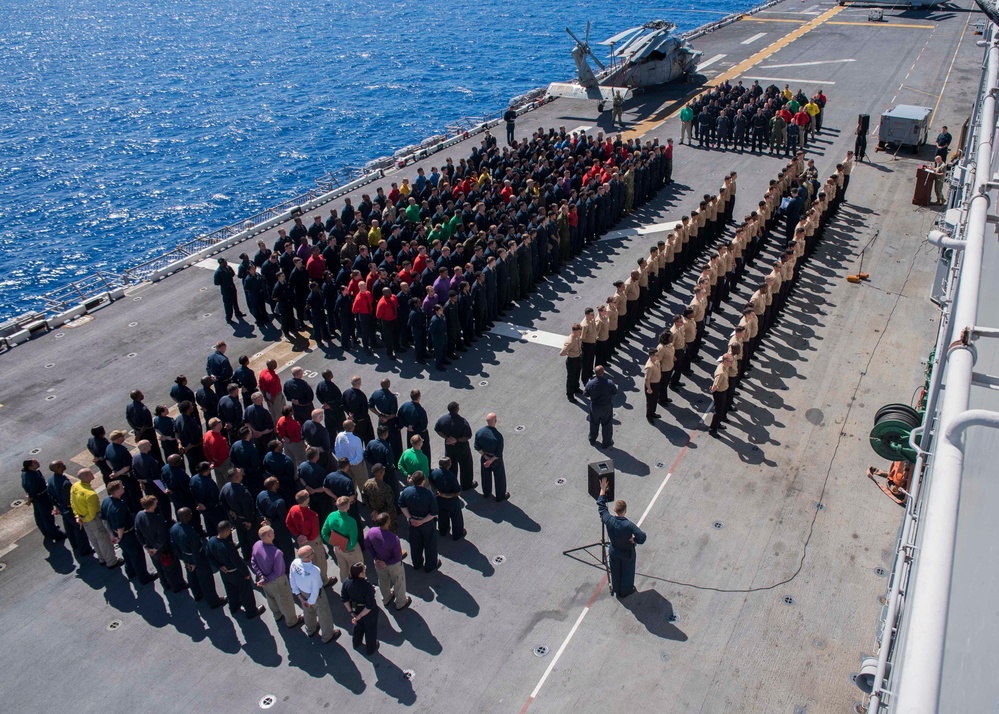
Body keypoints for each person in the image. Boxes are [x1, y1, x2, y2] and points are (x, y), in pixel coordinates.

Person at [597, 476, 646, 598]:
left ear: (614, 510)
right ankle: (626, 591)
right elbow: (642, 537)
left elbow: (601, 507)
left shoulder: (609, 520)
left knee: (615, 570)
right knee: (627, 572)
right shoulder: (628, 525)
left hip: (614, 550)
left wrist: (603, 489)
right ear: (625, 511)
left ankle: (616, 589)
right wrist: (634, 540)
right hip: (627, 551)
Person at [101, 480, 156, 585]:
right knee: (137, 555)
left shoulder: (106, 501)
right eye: (121, 487)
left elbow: (104, 519)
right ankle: (144, 577)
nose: (124, 488)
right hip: (127, 534)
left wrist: (113, 535)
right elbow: (120, 525)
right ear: (117, 492)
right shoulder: (120, 506)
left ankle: (130, 572)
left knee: (126, 553)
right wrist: (120, 537)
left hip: (117, 535)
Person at [207, 521, 266, 619]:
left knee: (230, 590)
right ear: (226, 531)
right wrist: (246, 573)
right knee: (245, 591)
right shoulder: (228, 546)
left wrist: (219, 566)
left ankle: (234, 607)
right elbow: (237, 562)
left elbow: (209, 556)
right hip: (235, 572)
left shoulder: (211, 541)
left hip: (224, 572)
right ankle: (251, 611)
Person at [170, 507, 226, 608]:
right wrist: (195, 563)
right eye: (190, 513)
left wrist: (184, 560)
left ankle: (197, 594)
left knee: (192, 576)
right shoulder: (191, 533)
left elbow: (174, 546)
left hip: (186, 557)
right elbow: (195, 550)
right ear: (187, 516)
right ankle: (214, 601)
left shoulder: (174, 528)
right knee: (206, 579)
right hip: (198, 559)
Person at [250, 525, 303, 628]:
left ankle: (277, 615)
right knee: (285, 600)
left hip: (264, 580)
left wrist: (261, 576)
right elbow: (278, 572)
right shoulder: (277, 553)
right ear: (270, 535)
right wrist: (266, 579)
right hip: (277, 581)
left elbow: (253, 562)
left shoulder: (256, 545)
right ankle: (292, 621)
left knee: (271, 598)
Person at [290, 545, 342, 643]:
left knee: (308, 612)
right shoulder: (314, 571)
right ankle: (327, 635)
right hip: (316, 596)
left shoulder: (294, 563)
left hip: (302, 592)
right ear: (309, 557)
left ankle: (310, 629)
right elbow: (316, 590)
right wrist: (310, 601)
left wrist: (299, 595)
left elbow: (292, 579)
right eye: (312, 552)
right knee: (323, 614)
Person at [135, 495, 187, 593]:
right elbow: (162, 537)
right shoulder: (157, 519)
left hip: (150, 549)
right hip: (162, 549)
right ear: (151, 506)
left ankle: (165, 585)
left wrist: (146, 547)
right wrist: (155, 548)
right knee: (171, 568)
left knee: (159, 567)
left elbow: (138, 532)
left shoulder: (139, 515)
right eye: (155, 503)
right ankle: (177, 585)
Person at [70, 468, 121, 568]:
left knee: (94, 540)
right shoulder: (90, 494)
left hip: (82, 518)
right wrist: (86, 518)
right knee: (103, 539)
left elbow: (72, 502)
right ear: (86, 477)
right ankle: (111, 561)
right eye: (90, 474)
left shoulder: (75, 487)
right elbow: (92, 512)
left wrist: (78, 516)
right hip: (93, 519)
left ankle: (102, 558)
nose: (92, 475)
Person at [364, 512, 411, 611]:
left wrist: (375, 558)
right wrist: (387, 563)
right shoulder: (394, 539)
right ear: (387, 522)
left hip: (378, 562)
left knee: (383, 581)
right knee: (399, 582)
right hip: (393, 565)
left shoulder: (371, 532)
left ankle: (386, 598)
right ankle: (401, 602)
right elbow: (398, 557)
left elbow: (367, 545)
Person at [286, 490, 333, 587]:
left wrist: (298, 535)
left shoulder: (293, 509)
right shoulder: (312, 515)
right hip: (313, 541)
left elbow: (288, 523)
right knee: (320, 561)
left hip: (302, 540)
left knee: (307, 561)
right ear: (306, 500)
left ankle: (313, 580)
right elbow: (315, 533)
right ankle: (324, 581)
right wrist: (307, 538)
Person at [397, 471, 441, 572]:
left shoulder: (406, 491)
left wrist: (410, 518)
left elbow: (402, 505)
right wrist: (422, 521)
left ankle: (417, 564)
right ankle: (431, 565)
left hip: (412, 523)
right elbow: (433, 513)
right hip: (427, 524)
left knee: (415, 543)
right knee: (430, 543)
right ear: (423, 480)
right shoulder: (429, 494)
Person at [434, 401, 476, 491]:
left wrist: (447, 438)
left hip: (449, 447)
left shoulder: (443, 419)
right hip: (461, 447)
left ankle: (452, 484)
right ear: (457, 409)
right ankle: (466, 485)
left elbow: (437, 429)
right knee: (465, 465)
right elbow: (468, 436)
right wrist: (457, 440)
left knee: (451, 465)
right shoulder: (462, 421)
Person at [45, 461, 85, 554]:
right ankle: (84, 549)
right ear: (59, 468)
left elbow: (50, 496)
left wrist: (57, 507)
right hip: (69, 509)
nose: (64, 465)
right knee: (79, 528)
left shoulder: (51, 480)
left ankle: (75, 546)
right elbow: (69, 499)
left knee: (69, 529)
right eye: (62, 464)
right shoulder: (65, 483)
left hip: (62, 508)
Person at [321, 496, 363, 584]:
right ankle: (359, 587)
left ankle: (346, 588)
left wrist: (335, 543)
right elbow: (352, 541)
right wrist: (344, 546)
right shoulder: (351, 521)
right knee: (358, 570)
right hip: (350, 551)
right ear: (347, 507)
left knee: (343, 569)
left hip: (337, 549)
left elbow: (324, 533)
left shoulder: (331, 516)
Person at [341, 561, 380, 655]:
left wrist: (352, 613)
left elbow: (344, 599)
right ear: (360, 573)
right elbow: (369, 606)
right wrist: (360, 616)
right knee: (370, 629)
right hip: (367, 611)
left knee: (358, 626)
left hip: (355, 608)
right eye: (364, 569)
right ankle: (371, 648)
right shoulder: (366, 586)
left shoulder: (347, 582)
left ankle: (356, 642)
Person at [220, 467, 259, 561]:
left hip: (236, 518)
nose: (241, 472)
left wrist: (229, 510)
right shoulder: (243, 491)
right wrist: (249, 521)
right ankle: (257, 557)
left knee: (242, 537)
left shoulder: (226, 487)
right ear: (237, 477)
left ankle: (247, 556)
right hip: (246, 519)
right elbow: (248, 508)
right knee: (253, 538)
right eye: (239, 472)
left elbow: (221, 500)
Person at [428, 457, 466, 540]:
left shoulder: (434, 472)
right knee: (456, 517)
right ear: (449, 465)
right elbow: (457, 492)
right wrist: (446, 495)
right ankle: (458, 533)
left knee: (442, 515)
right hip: (451, 501)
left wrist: (436, 491)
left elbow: (430, 481)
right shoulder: (451, 476)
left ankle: (443, 531)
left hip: (439, 500)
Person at [474, 412, 508, 501]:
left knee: (485, 476)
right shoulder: (498, 436)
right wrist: (491, 460)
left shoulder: (479, 432)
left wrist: (485, 457)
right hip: (495, 460)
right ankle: (500, 496)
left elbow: (477, 447)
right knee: (499, 477)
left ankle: (486, 493)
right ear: (495, 421)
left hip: (484, 458)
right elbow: (498, 454)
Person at [584, 365, 618, 448]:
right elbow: (615, 392)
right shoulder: (609, 383)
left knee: (593, 423)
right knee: (607, 425)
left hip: (595, 407)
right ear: (603, 372)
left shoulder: (590, 383)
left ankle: (592, 439)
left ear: (595, 373)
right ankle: (606, 442)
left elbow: (585, 394)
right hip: (606, 407)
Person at [362, 464, 399, 532]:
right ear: (382, 473)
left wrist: (372, 511)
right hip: (386, 517)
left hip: (375, 516)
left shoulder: (367, 483)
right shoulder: (386, 488)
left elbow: (364, 498)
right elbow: (390, 506)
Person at [334, 419, 368, 492]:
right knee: (363, 483)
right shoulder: (356, 439)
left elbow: (336, 449)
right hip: (356, 465)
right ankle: (366, 500)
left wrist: (343, 461)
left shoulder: (339, 436)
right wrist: (350, 463)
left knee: (350, 483)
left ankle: (352, 498)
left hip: (344, 465)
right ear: (352, 428)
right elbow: (359, 456)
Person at [708, 353, 733, 436]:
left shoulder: (725, 366)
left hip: (723, 390)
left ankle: (717, 424)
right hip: (719, 393)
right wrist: (712, 391)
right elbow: (715, 385)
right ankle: (712, 429)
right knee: (718, 411)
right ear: (725, 361)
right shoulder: (721, 372)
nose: (731, 363)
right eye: (730, 361)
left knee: (721, 409)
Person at [214, 258, 245, 322]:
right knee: (228, 304)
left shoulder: (228, 268)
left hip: (232, 287)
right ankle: (228, 318)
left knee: (235, 301)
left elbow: (233, 274)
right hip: (226, 290)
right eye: (224, 262)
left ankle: (237, 312)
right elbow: (216, 282)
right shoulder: (218, 272)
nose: (226, 262)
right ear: (221, 263)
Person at [559, 323, 583, 400]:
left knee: (577, 375)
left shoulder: (577, 337)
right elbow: (562, 353)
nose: (580, 333)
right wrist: (569, 353)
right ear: (574, 332)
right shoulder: (570, 341)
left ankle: (576, 388)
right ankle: (570, 395)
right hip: (572, 360)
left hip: (578, 358)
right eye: (579, 332)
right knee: (571, 378)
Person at [643, 346, 662, 423]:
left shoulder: (656, 361)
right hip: (652, 385)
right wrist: (649, 389)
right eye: (656, 355)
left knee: (654, 400)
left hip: (657, 383)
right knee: (650, 402)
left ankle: (653, 413)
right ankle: (649, 416)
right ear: (651, 356)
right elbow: (647, 379)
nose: (658, 356)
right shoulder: (649, 366)